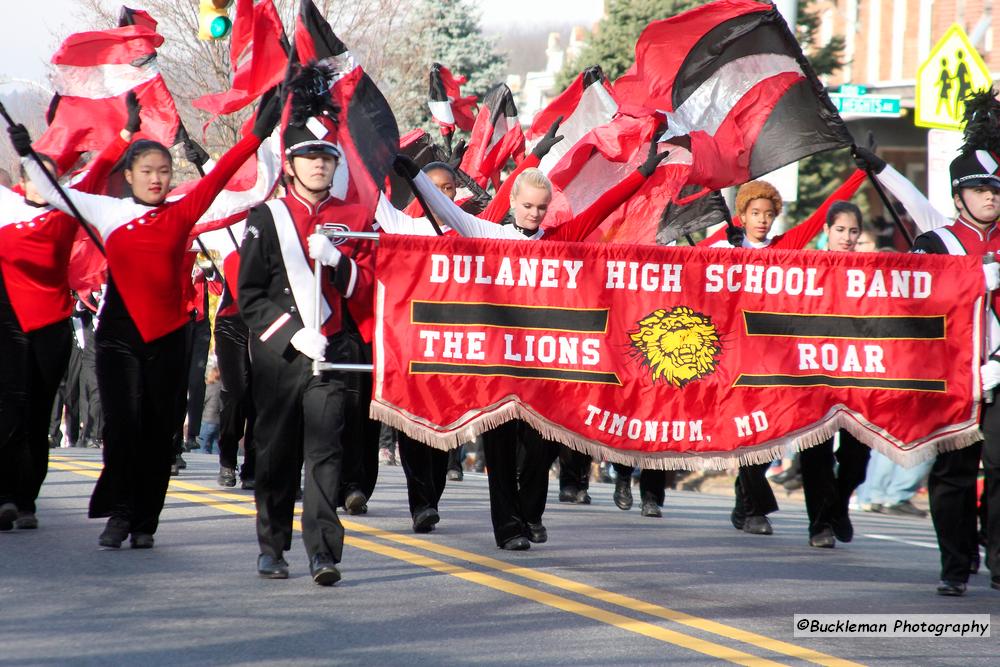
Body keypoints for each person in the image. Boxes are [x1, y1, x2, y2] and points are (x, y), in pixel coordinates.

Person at [11, 93, 279, 549]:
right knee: (123, 425)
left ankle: (144, 521)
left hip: (170, 338)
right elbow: (56, 192)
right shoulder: (109, 211)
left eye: (164, 171)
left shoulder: (182, 212)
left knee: (159, 431)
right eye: (147, 171)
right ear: (130, 176)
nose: (156, 179)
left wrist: (258, 129)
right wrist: (27, 155)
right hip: (118, 337)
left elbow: (222, 175)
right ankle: (119, 512)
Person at [398, 133, 671, 549]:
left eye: (541, 208)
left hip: (545, 368)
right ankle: (508, 528)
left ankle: (530, 514)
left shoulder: (558, 241)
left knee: (541, 447)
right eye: (527, 205)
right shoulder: (487, 233)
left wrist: (642, 174)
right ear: (512, 204)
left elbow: (602, 209)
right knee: (502, 450)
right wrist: (414, 174)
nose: (534, 213)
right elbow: (446, 210)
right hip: (500, 366)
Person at [238, 67, 375, 584]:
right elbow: (249, 296)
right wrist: (291, 332)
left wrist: (340, 263)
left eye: (326, 157)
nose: (318, 164)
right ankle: (272, 545)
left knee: (326, 452)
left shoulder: (355, 214)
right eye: (308, 157)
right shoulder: (265, 216)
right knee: (275, 452)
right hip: (282, 354)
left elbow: (370, 287)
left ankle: (323, 551)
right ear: (290, 165)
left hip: (334, 348)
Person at [0, 100, 135, 531]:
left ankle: (26, 501)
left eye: (52, 176)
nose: (48, 183)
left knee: (38, 412)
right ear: (23, 183)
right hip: (7, 325)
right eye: (38, 176)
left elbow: (100, 170)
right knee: (9, 409)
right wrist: (20, 147)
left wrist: (128, 132)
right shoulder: (6, 207)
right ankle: (3, 494)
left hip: (51, 326)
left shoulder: (66, 209)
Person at [909, 140, 1000, 596]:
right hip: (953, 376)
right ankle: (956, 565)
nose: (990, 197)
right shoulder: (934, 244)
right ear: (958, 196)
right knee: (953, 475)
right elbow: (917, 305)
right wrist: (969, 280)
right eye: (980, 189)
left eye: (996, 190)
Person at [797, 201, 873, 548]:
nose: (847, 237)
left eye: (853, 231)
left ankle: (839, 504)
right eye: (840, 230)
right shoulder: (806, 267)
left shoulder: (871, 272)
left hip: (858, 378)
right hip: (814, 376)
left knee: (858, 457)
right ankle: (819, 525)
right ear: (827, 231)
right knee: (816, 455)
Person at [711, 180, 783, 536]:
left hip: (773, 360)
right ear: (742, 216)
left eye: (769, 215)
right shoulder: (726, 248)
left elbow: (817, 226)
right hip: (735, 358)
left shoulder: (785, 250)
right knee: (745, 433)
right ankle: (754, 509)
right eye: (755, 213)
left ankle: (746, 499)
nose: (763, 221)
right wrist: (724, 252)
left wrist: (861, 175)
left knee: (769, 434)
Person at [198, 364, 222, 455]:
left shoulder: (210, 388)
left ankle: (202, 467)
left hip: (207, 420)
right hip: (219, 422)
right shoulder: (224, 388)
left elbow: (202, 401)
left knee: (202, 447)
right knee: (216, 448)